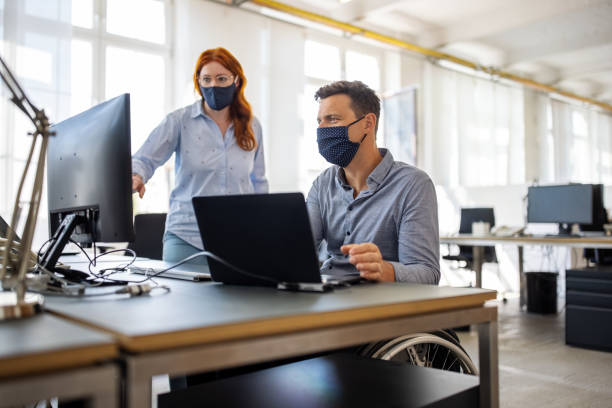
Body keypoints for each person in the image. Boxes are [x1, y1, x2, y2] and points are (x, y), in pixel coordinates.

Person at [132, 47, 268, 264]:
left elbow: (258, 182)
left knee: (240, 298)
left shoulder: (252, 126)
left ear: (236, 81)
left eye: (222, 78)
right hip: (187, 237)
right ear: (199, 82)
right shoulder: (179, 121)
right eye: (207, 79)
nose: (214, 85)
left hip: (240, 237)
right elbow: (144, 159)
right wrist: (137, 175)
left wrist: (264, 228)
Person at [307, 80, 439, 284]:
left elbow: (427, 273)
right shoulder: (322, 184)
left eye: (332, 119)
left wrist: (385, 270)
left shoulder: (413, 185)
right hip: (328, 295)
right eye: (319, 122)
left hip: (380, 302)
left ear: (368, 123)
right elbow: (298, 248)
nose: (322, 130)